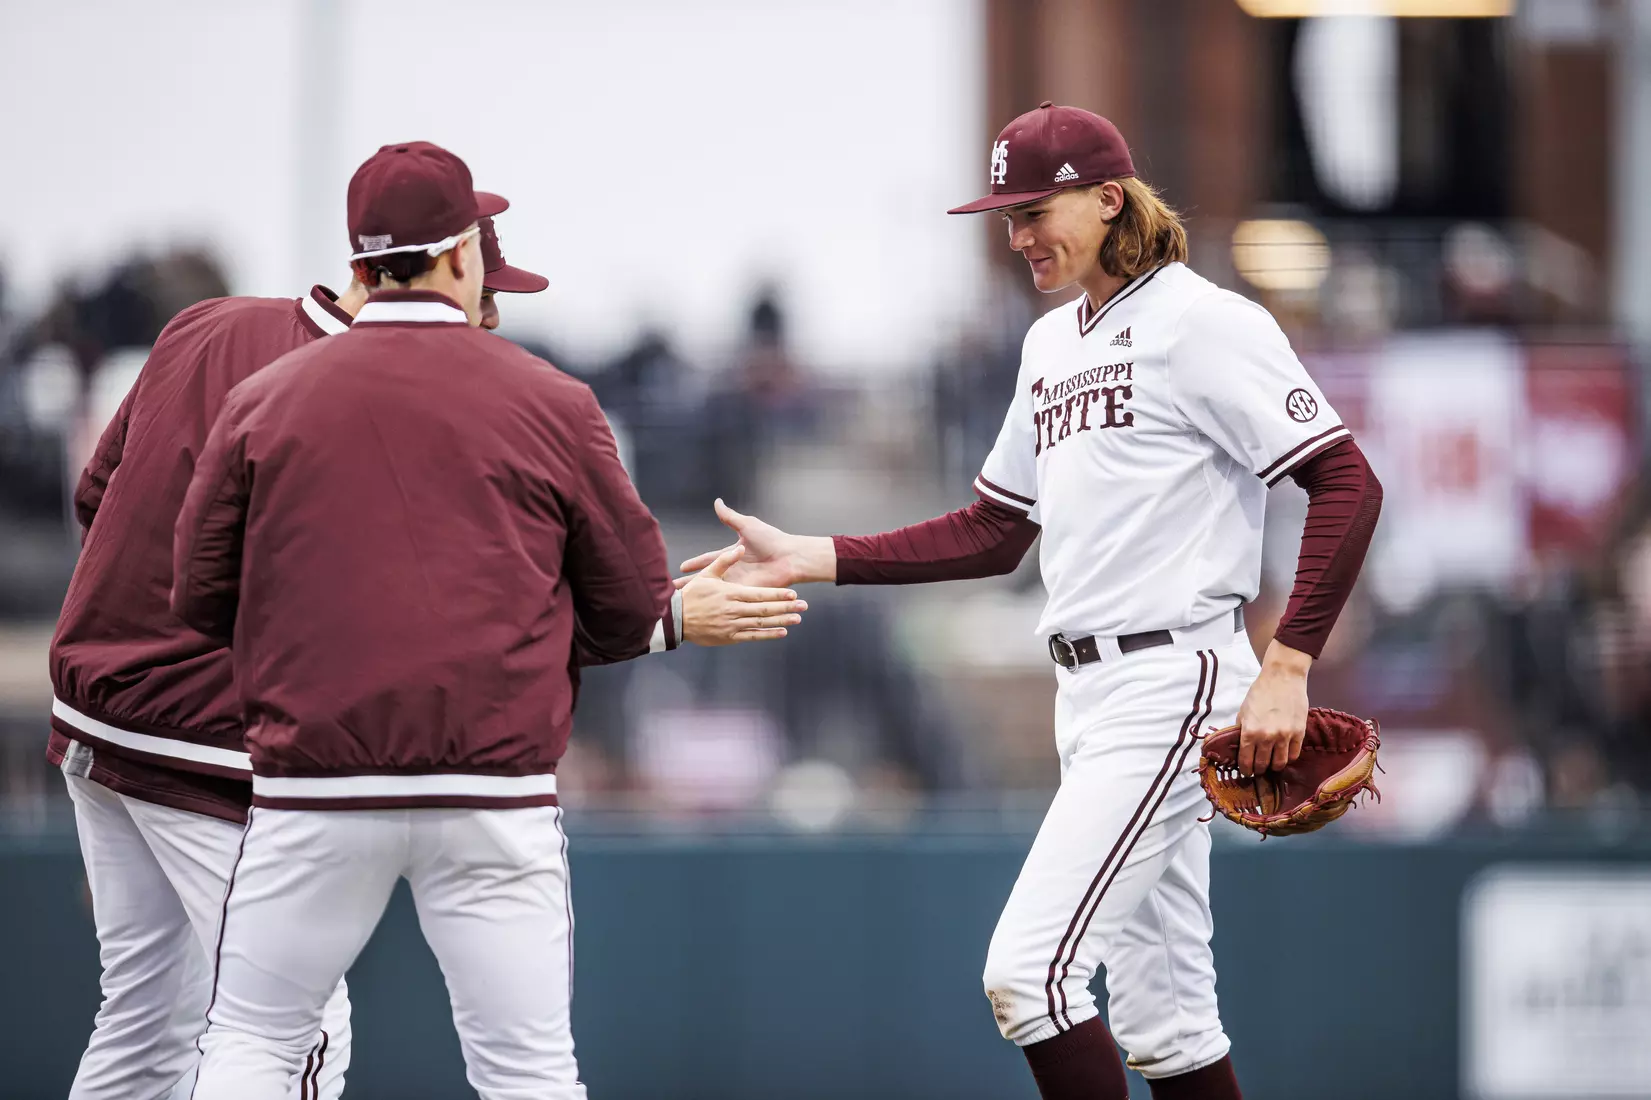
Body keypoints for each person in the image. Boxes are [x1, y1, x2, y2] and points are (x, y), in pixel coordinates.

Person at [680, 102, 1383, 1100]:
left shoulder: (1204, 322)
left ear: (1108, 199)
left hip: (1173, 676)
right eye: (1005, 218)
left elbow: (1347, 479)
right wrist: (813, 554)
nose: (1016, 237)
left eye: (1033, 210)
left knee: (1027, 974)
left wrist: (1289, 662)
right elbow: (993, 530)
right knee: (1166, 1021)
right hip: (1086, 696)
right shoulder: (1049, 345)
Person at [173, 141, 805, 1099]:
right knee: (527, 1073)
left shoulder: (262, 400)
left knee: (254, 1042)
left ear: (357, 268)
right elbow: (630, 607)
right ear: (465, 253)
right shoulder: (553, 400)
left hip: (315, 786)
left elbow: (196, 596)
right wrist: (621, 621)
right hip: (490, 790)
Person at [48, 181, 552, 1099]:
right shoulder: (363, 402)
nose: (489, 316)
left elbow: (97, 491)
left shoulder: (205, 324)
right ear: (446, 266)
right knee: (290, 1034)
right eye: (487, 288)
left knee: (145, 1021)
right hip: (198, 732)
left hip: (92, 709)